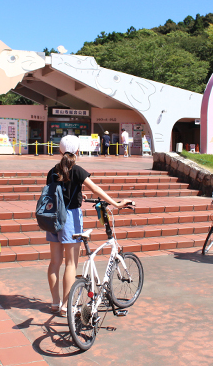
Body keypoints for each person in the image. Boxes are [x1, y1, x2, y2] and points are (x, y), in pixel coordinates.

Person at [46, 135, 133, 316]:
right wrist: (116, 204)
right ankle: (66, 306)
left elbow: (57, 193)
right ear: (77, 151)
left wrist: (78, 194)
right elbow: (96, 189)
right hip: (70, 219)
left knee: (54, 262)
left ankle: (55, 303)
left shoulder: (52, 171)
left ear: (60, 150)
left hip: (53, 218)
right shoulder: (76, 170)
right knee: (71, 264)